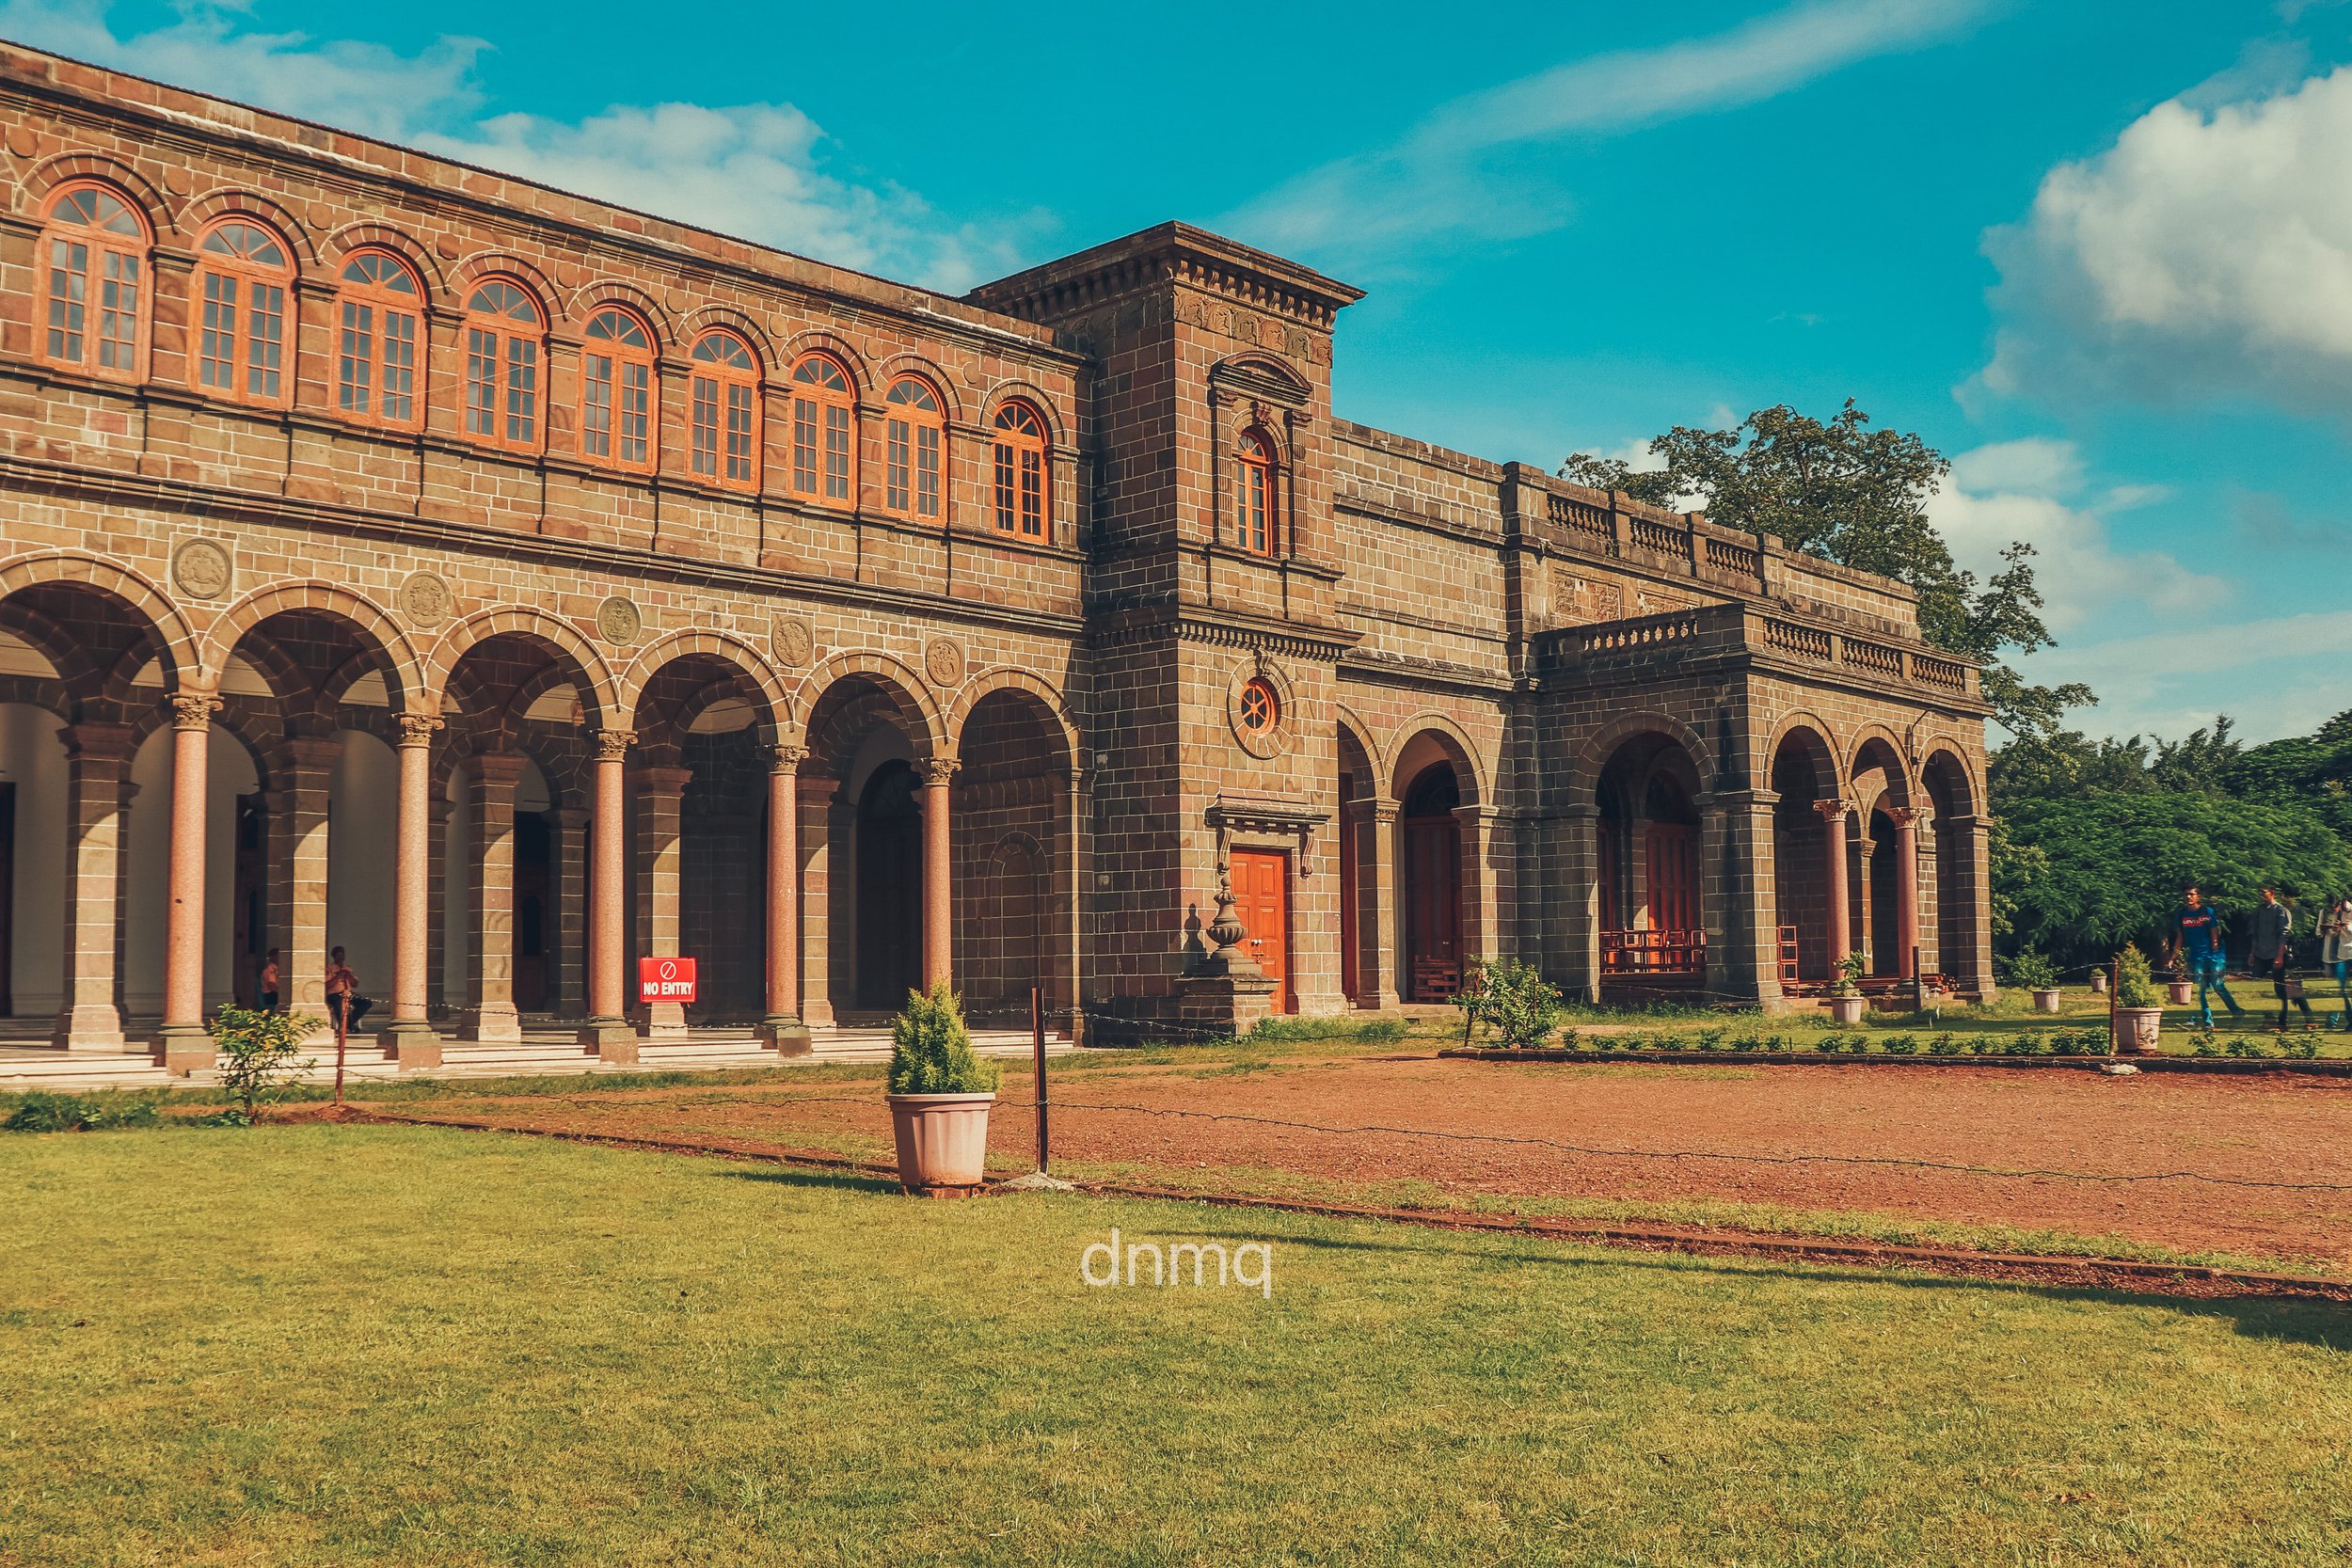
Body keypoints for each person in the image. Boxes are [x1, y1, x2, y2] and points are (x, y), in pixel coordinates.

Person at [2248, 886, 2313, 1033]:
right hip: (2260, 954)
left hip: (2277, 954)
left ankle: (2284, 1022)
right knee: (2258, 987)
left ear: (2272, 894)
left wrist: (2279, 956)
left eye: (2264, 893)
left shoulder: (2281, 911)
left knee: (2283, 990)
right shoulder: (2258, 911)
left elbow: (2283, 936)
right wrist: (2252, 953)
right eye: (2259, 893)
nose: (2261, 896)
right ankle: (2268, 1019)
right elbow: (2255, 934)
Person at [2172, 885, 2239, 1029]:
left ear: (2198, 897)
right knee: (2202, 988)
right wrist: (2173, 957)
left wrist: (2213, 954)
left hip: (2213, 955)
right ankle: (2204, 1021)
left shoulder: (2207, 912)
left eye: (2191, 894)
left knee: (2217, 986)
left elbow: (2214, 933)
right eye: (2186, 895)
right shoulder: (2181, 914)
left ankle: (2236, 1011)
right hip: (2196, 957)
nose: (2188, 897)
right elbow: (2180, 936)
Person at [326, 945, 372, 1035]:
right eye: (338, 955)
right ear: (334, 956)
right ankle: (348, 1026)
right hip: (333, 994)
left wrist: (348, 975)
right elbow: (327, 985)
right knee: (339, 1002)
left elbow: (355, 984)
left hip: (347, 993)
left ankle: (348, 1025)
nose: (340, 958)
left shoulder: (348, 968)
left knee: (366, 1003)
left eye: (342, 955)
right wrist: (338, 976)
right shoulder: (329, 968)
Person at [2324, 892, 2352, 1031]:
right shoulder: (2337, 914)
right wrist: (2335, 929)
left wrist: (2347, 926)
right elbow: (2336, 934)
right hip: (2342, 955)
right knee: (2343, 991)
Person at [258, 948, 280, 1014]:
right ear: (272, 958)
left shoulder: (278, 969)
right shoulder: (270, 970)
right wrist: (281, 993)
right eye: (278, 956)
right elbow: (271, 985)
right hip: (271, 995)